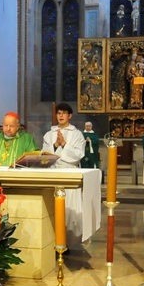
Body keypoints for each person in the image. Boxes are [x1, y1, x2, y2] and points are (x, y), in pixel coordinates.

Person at [43, 103, 86, 249]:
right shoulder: (49, 134)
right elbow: (44, 156)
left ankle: (70, 242)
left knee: (70, 210)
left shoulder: (77, 134)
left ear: (70, 116)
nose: (60, 115)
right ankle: (53, 241)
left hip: (69, 173)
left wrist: (65, 144)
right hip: (53, 173)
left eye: (64, 113)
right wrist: (55, 145)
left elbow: (78, 155)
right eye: (58, 113)